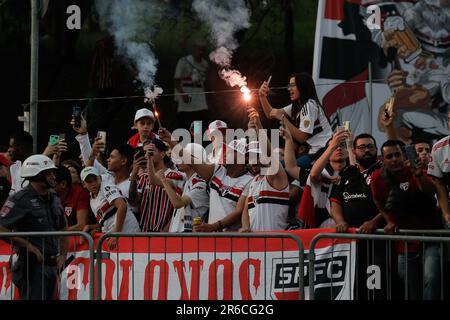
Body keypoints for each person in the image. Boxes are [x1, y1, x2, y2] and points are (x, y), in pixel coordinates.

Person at [372, 140, 443, 299]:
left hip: (431, 236)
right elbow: (377, 201)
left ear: (404, 155)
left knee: (431, 278)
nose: (395, 159)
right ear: (382, 160)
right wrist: (389, 220)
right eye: (389, 156)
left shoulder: (415, 170)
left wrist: (418, 175)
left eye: (397, 154)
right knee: (409, 286)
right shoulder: (377, 178)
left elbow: (431, 192)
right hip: (405, 242)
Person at [0, 155, 67, 300]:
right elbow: (1, 228)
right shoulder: (19, 199)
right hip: (31, 267)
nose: (53, 176)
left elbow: (63, 226)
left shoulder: (54, 198)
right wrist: (28, 246)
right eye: (48, 173)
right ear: (36, 174)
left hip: (51, 266)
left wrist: (63, 254)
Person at [258, 72, 332, 155]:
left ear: (302, 86)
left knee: (285, 167)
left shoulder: (309, 105)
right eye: (289, 86)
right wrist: (262, 96)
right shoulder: (298, 105)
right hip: (315, 151)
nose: (289, 89)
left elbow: (302, 137)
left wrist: (283, 118)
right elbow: (270, 114)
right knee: (281, 164)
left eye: (292, 85)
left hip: (323, 150)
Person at [240, 109, 289, 232]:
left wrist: (258, 125)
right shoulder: (254, 182)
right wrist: (246, 227)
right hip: (257, 247)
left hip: (276, 246)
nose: (254, 161)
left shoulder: (275, 175)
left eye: (257, 156)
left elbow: (269, 153)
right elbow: (245, 211)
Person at [129, 137, 185, 232]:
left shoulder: (175, 176)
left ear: (162, 154)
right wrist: (134, 176)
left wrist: (166, 231)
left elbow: (180, 209)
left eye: (150, 152)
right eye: (145, 152)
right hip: (143, 234)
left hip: (165, 234)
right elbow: (134, 202)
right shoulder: (143, 177)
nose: (147, 155)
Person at [80, 166, 140, 249]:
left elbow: (122, 206)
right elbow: (105, 220)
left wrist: (116, 234)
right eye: (89, 181)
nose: (93, 183)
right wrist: (91, 227)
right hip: (116, 238)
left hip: (128, 232)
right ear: (84, 184)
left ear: (100, 178)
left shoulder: (106, 187)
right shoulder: (92, 199)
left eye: (95, 179)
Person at [158, 143, 209, 232]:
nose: (180, 159)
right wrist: (149, 160)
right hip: (180, 236)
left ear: (193, 160)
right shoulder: (187, 180)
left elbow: (178, 203)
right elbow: (154, 181)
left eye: (184, 157)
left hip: (188, 238)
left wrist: (164, 180)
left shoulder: (200, 183)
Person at [174, 38, 209, 130]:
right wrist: (182, 94)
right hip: (186, 102)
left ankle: (196, 143)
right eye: (198, 49)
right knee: (184, 129)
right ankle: (184, 144)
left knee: (197, 129)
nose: (200, 52)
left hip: (199, 103)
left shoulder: (204, 64)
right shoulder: (183, 61)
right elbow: (176, 81)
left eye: (202, 50)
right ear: (194, 49)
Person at [54, 166, 94, 231]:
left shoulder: (80, 193)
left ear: (63, 184)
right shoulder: (48, 196)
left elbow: (81, 225)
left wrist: (58, 233)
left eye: (52, 183)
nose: (47, 186)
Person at [8, 131, 33, 195]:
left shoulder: (38, 165)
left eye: (11, 146)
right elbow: (13, 193)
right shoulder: (13, 167)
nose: (8, 150)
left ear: (21, 147)